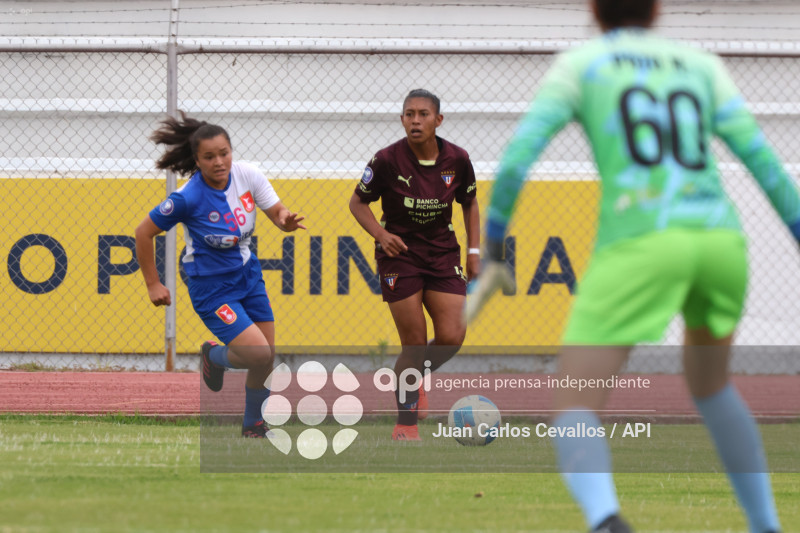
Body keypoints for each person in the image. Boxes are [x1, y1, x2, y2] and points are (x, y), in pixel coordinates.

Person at [465, 1, 794, 531]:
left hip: (642, 239)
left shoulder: (582, 65)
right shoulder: (700, 65)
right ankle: (767, 526)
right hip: (719, 241)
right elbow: (763, 163)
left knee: (574, 402)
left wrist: (496, 252)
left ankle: (606, 521)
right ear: (657, 8)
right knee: (711, 385)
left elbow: (520, 154)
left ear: (594, 9)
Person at [135, 111, 306, 438]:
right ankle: (213, 355)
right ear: (197, 160)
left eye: (224, 153)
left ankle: (253, 426)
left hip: (248, 274)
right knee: (258, 353)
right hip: (210, 287)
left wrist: (284, 220)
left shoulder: (248, 175)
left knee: (265, 358)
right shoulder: (188, 197)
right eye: (209, 157)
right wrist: (153, 283)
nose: (219, 162)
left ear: (231, 151)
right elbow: (143, 233)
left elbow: (277, 210)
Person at [349, 89, 481, 441]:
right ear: (402, 119)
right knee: (414, 343)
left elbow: (470, 202)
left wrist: (474, 251)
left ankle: (414, 378)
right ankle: (405, 424)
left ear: (438, 121)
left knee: (453, 336)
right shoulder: (386, 160)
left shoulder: (458, 159)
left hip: (442, 253)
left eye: (423, 114)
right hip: (400, 255)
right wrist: (380, 234)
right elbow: (357, 203)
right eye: (409, 114)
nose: (415, 120)